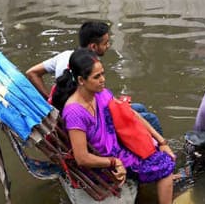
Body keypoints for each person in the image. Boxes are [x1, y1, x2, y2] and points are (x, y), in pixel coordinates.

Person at [52, 49, 176, 204]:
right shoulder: (74, 112)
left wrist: (161, 141)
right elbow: (82, 158)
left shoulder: (100, 93)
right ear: (81, 80)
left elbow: (130, 114)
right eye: (97, 77)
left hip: (118, 149)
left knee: (160, 150)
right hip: (103, 165)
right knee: (166, 165)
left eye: (103, 74)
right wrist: (114, 162)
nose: (103, 80)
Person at [26, 21, 162, 133]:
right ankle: (160, 157)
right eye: (105, 43)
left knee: (140, 108)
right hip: (91, 118)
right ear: (93, 46)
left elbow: (32, 73)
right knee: (150, 118)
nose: (108, 46)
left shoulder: (65, 55)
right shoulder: (90, 67)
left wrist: (49, 101)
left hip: (76, 110)